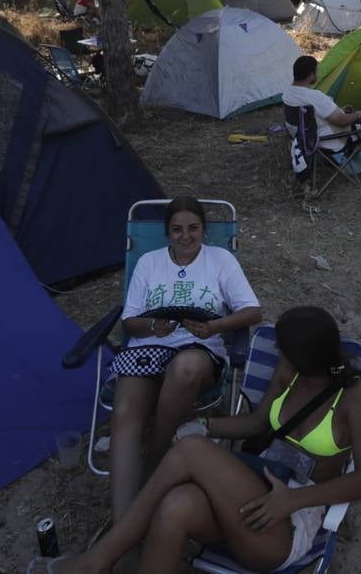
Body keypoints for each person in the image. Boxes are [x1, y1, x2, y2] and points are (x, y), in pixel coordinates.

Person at [32, 306, 361, 574]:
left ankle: (94, 563)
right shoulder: (288, 372)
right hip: (251, 489)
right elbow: (259, 423)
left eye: (283, 348)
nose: (276, 350)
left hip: (291, 521)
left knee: (190, 452)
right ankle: (106, 560)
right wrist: (205, 425)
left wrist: (291, 501)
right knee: (176, 506)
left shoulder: (353, 396)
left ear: (306, 357)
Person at [105, 197, 263, 557]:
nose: (186, 236)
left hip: (199, 349)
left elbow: (253, 311)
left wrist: (214, 326)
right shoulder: (149, 262)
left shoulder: (220, 260)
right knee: (126, 413)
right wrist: (153, 326)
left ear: (204, 230)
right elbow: (130, 321)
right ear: (167, 233)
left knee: (185, 367)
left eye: (193, 228)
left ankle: (157, 456)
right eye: (177, 229)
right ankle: (124, 533)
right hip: (150, 345)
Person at [283, 56, 361, 172]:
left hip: (304, 138)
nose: (317, 74)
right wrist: (358, 114)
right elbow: (342, 121)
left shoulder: (287, 93)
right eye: (316, 71)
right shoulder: (314, 96)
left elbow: (312, 116)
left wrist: (340, 110)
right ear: (311, 75)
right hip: (329, 140)